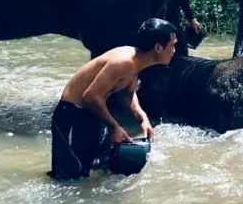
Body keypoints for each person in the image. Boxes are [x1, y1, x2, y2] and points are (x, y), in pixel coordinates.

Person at [48, 18, 179, 181]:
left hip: (92, 114)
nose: (174, 50)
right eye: (173, 45)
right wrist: (114, 127)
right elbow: (90, 96)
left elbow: (127, 96)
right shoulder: (123, 62)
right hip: (72, 115)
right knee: (68, 178)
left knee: (100, 166)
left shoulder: (136, 62)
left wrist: (142, 118)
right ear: (158, 47)